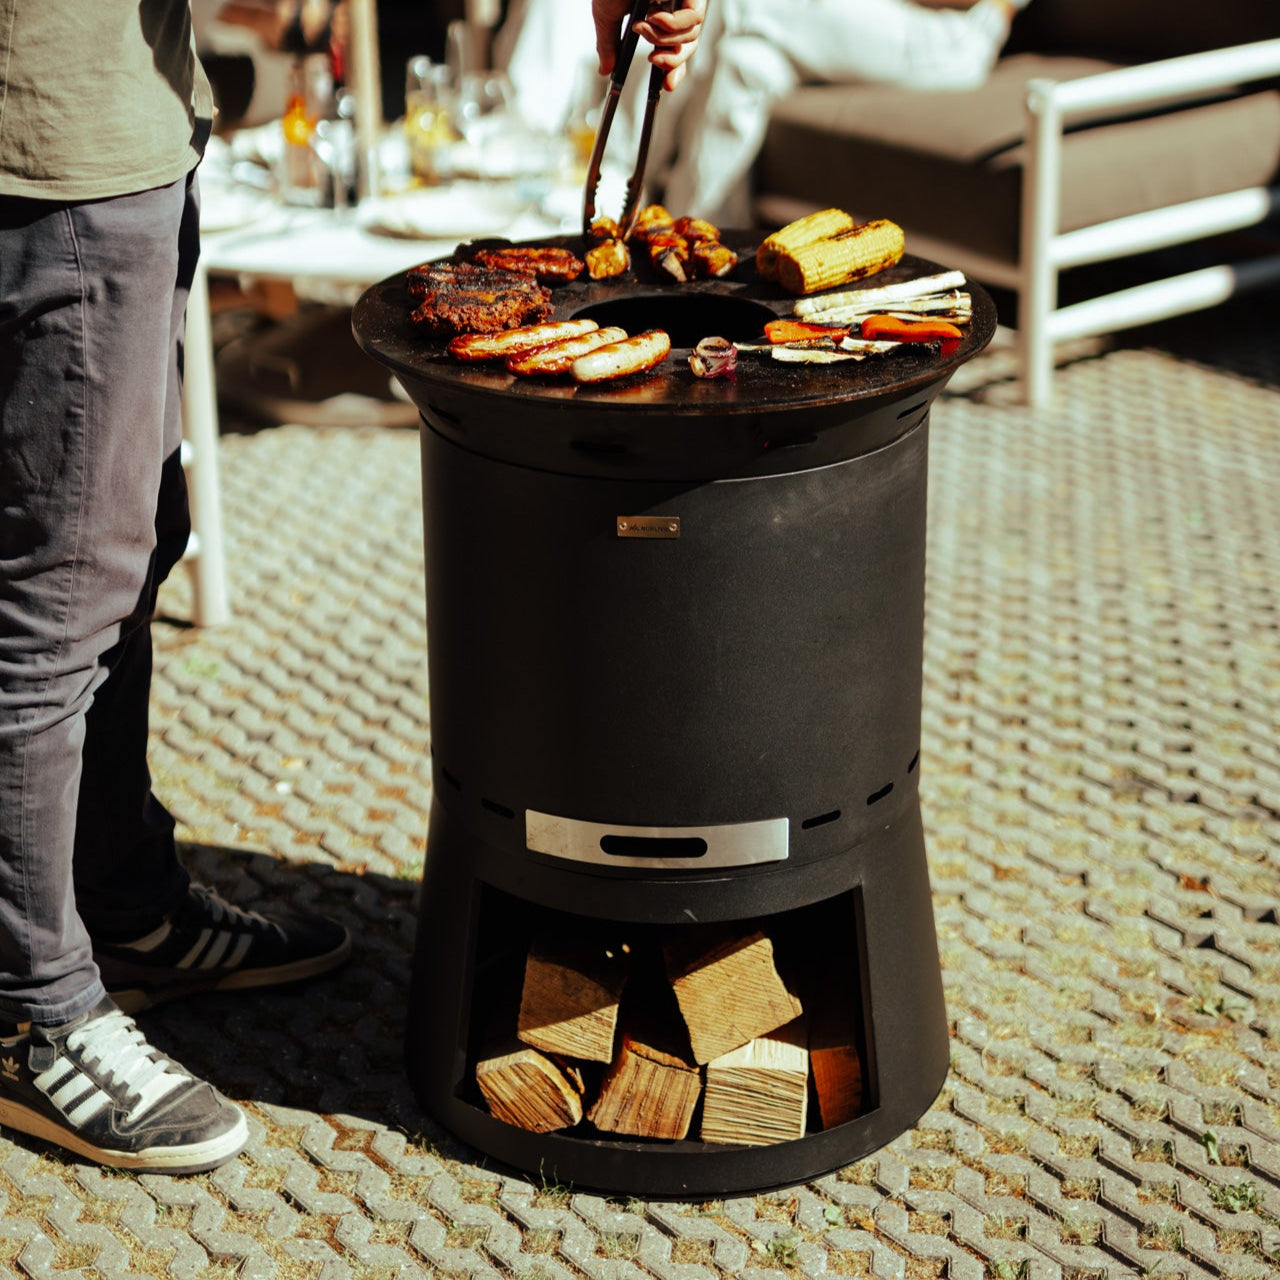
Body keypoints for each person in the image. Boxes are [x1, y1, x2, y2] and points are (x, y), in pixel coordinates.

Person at [0, 3, 351, 1174]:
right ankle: (32, 1006)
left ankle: (121, 896)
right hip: (53, 139)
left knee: (139, 539)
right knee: (56, 595)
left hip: (127, 111)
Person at [500, 0, 1027, 226]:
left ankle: (607, 188)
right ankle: (691, 245)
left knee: (741, 4)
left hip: (950, 30)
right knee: (743, 65)